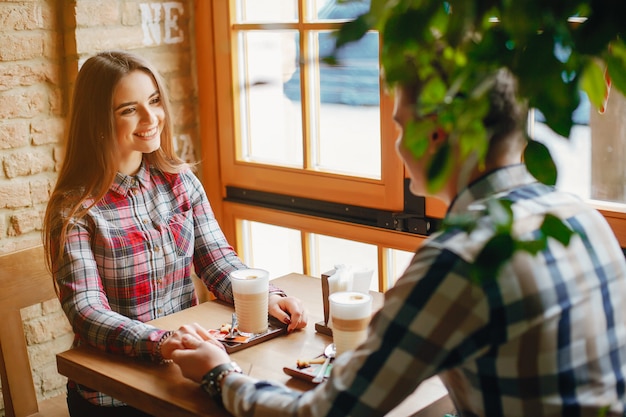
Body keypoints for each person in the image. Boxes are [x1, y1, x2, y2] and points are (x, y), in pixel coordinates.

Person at [171, 66, 626, 416]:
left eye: (402, 126)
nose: (399, 147)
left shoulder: (459, 258)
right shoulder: (577, 213)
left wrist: (218, 374)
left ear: (439, 133)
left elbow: (328, 411)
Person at [42, 50, 307, 417]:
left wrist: (264, 297)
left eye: (153, 101)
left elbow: (217, 260)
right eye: (129, 109)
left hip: (184, 373)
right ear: (98, 120)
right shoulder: (75, 211)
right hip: (112, 396)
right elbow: (87, 313)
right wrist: (163, 342)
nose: (152, 118)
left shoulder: (180, 181)